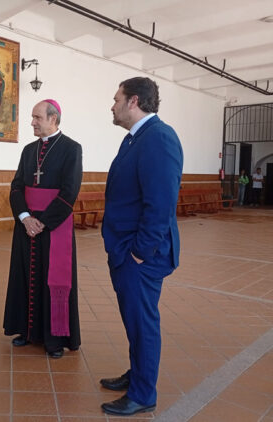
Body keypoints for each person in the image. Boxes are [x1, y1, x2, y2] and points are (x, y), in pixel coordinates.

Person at [100, 77, 183, 416]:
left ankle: (143, 393)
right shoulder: (135, 138)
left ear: (133, 101)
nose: (112, 105)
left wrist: (139, 252)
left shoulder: (159, 138)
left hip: (141, 255)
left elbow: (160, 204)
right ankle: (137, 374)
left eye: (116, 99)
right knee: (134, 320)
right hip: (126, 249)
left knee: (143, 323)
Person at [3, 99, 82, 359]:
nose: (32, 122)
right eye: (33, 117)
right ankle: (27, 331)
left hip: (54, 226)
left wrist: (43, 222)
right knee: (25, 276)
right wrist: (25, 217)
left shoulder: (71, 148)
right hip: (26, 225)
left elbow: (69, 192)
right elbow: (16, 186)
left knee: (52, 280)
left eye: (37, 117)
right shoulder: (28, 150)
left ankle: (54, 338)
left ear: (53, 119)